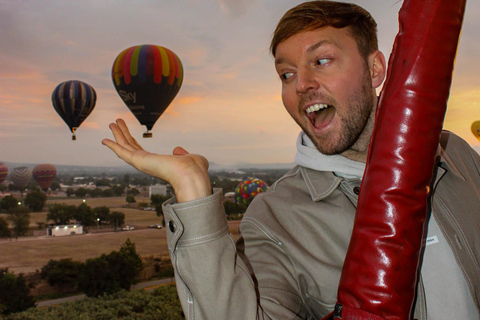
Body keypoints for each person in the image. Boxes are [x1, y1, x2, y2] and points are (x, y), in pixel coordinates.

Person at [102, 1, 480, 319]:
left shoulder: (456, 154)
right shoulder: (276, 218)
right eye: (286, 73)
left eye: (322, 60)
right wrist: (194, 196)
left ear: (375, 69)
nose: (300, 84)